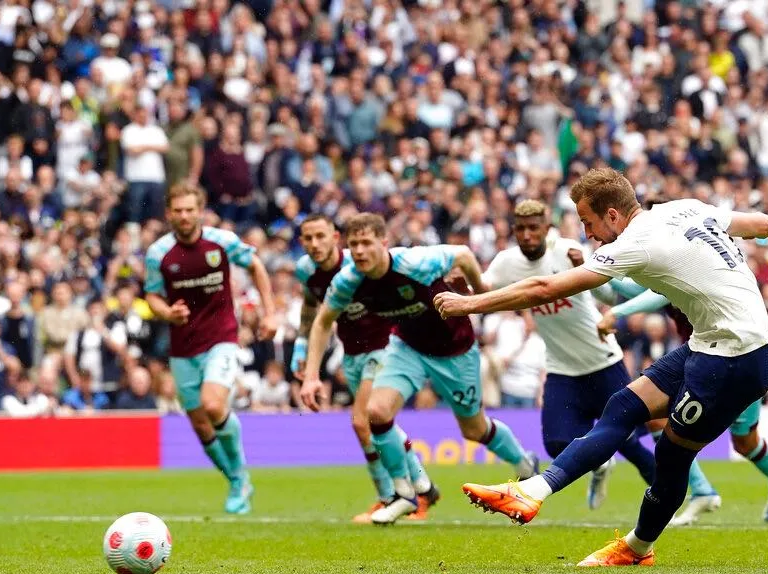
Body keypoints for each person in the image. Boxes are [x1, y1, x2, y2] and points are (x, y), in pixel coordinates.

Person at [435, 168, 768, 566]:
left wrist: (469, 305)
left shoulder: (635, 241)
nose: (589, 233)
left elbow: (545, 287)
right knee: (622, 407)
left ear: (613, 215)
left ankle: (636, 549)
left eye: (589, 222)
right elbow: (763, 224)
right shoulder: (683, 208)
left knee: (671, 454)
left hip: (735, 358)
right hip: (710, 344)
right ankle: (534, 489)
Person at [300, 213, 538, 525]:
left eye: (366, 243)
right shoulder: (348, 280)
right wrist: (311, 376)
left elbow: (464, 255)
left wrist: (480, 296)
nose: (358, 251)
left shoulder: (417, 262)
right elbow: (321, 322)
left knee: (474, 430)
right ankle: (404, 494)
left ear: (384, 244)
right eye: (353, 244)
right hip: (407, 346)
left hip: (455, 349)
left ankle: (524, 464)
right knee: (376, 412)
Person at [481, 199, 657, 510]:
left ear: (546, 229)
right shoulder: (506, 262)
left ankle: (666, 499)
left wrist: (581, 267)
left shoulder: (566, 251)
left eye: (534, 228)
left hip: (603, 360)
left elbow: (605, 293)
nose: (527, 235)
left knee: (627, 441)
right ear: (513, 231)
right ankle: (601, 466)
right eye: (520, 229)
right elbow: (483, 287)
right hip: (561, 367)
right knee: (555, 444)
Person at [598, 284, 768, 525]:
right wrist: (596, 275)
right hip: (700, 361)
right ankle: (702, 491)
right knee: (657, 418)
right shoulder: (662, 268)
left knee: (744, 442)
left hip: (738, 356)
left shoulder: (683, 269)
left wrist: (615, 307)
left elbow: (653, 294)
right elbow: (634, 288)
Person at [290, 214, 437, 523]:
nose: (315, 244)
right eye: (308, 238)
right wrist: (302, 349)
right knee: (375, 424)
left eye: (321, 236)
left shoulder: (359, 264)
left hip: (384, 347)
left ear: (335, 237)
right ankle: (419, 488)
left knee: (362, 422)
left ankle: (398, 496)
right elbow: (311, 309)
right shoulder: (306, 271)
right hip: (352, 352)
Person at [144, 182, 278, 514]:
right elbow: (152, 295)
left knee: (213, 404)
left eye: (191, 210)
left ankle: (239, 474)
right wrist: (167, 313)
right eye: (178, 210)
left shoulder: (222, 242)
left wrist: (270, 312)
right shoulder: (158, 254)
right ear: (168, 214)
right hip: (183, 347)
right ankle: (237, 479)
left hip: (221, 338)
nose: (185, 216)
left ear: (201, 211)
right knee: (201, 423)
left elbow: (257, 266)